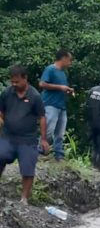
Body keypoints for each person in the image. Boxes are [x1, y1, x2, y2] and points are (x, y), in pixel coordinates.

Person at [0, 65, 49, 204]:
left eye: (17, 81)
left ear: (25, 78)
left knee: (28, 168)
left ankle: (24, 199)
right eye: (12, 82)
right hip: (8, 136)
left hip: (28, 139)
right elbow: (1, 113)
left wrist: (44, 139)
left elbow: (42, 118)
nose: (14, 84)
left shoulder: (35, 96)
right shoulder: (6, 93)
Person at [38, 49, 74, 161]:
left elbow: (61, 88)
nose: (70, 63)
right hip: (50, 104)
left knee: (60, 132)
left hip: (61, 105)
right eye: (69, 60)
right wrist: (60, 87)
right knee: (48, 129)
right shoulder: (50, 69)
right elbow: (42, 84)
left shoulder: (63, 73)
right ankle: (39, 151)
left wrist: (68, 90)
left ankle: (59, 155)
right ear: (63, 58)